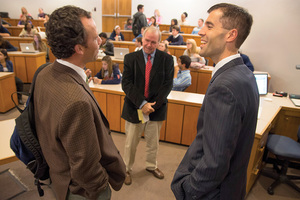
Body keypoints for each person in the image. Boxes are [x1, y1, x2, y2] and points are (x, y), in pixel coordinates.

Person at [34, 5, 126, 199]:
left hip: (57, 174)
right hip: (81, 190)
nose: (100, 41)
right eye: (95, 38)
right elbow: (86, 167)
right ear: (79, 48)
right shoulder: (76, 102)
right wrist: (102, 188)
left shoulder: (43, 73)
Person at [171, 3, 259, 200]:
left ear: (230, 35)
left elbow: (215, 163)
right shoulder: (243, 72)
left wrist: (188, 190)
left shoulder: (225, 87)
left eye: (209, 26)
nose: (201, 31)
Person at [121, 26, 174, 185]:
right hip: (134, 107)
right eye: (147, 40)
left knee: (153, 142)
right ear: (141, 39)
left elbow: (167, 85)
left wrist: (153, 105)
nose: (149, 45)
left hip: (156, 108)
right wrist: (142, 104)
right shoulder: (130, 58)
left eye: (153, 42)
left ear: (159, 42)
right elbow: (127, 84)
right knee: (130, 143)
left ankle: (151, 166)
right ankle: (127, 169)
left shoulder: (167, 59)